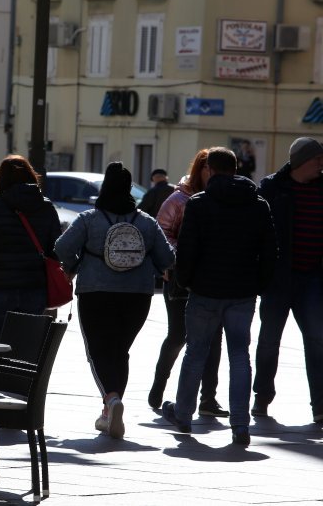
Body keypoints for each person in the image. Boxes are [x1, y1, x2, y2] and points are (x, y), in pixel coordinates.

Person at [162, 147, 276, 447]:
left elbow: (187, 249)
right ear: (236, 169)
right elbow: (269, 252)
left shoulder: (199, 203)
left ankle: (184, 416)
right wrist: (259, 285)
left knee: (196, 352)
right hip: (242, 292)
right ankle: (240, 424)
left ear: (209, 170)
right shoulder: (258, 205)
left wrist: (184, 282)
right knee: (240, 355)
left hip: (205, 291)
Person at [55, 162, 174, 439]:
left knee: (98, 350)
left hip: (95, 291)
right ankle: (111, 409)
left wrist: (73, 266)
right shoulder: (146, 221)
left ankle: (111, 401)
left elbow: (61, 247)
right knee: (120, 351)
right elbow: (168, 259)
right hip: (138, 295)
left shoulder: (88, 219)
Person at [147, 150, 228, 419]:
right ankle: (158, 387)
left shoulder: (221, 199)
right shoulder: (179, 199)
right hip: (180, 278)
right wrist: (181, 256)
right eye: (208, 170)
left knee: (214, 339)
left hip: (211, 279)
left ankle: (209, 398)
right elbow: (161, 233)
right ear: (200, 171)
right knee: (178, 335)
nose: (212, 176)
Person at [252, 137, 323, 423]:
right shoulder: (272, 188)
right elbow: (257, 232)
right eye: (318, 160)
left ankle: (319, 405)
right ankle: (262, 398)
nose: (321, 165)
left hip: (314, 279)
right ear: (302, 161)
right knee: (269, 340)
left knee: (318, 341)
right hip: (278, 279)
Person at [0, 155, 62, 343]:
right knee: (26, 346)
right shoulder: (46, 207)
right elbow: (57, 246)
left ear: (1, 179)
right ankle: (18, 373)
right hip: (34, 287)